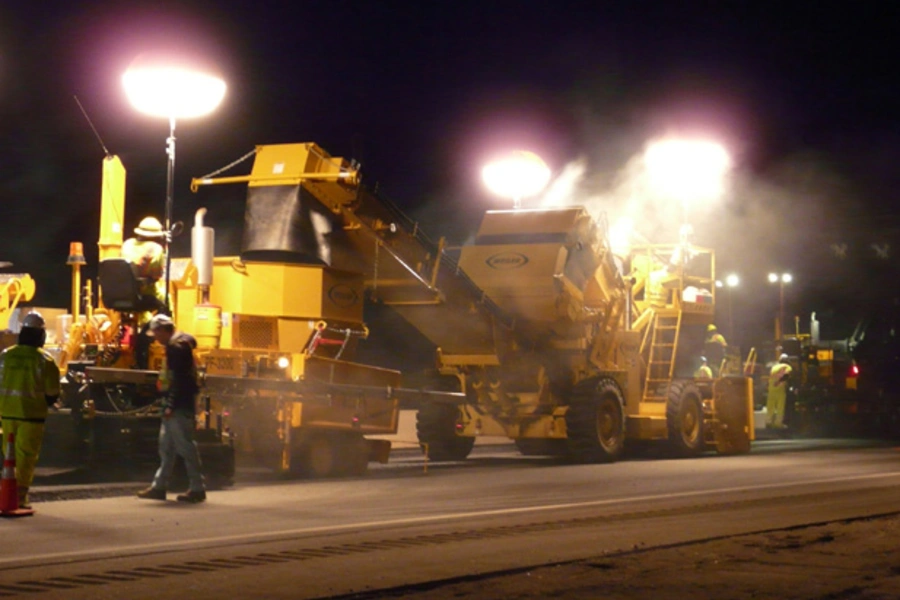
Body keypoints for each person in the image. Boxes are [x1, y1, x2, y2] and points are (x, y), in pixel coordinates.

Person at [137, 314, 206, 503]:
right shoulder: (178, 346)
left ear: (162, 330)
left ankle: (197, 488)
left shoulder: (177, 348)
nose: (155, 339)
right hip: (176, 404)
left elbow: (180, 380)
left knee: (185, 446)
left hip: (178, 406)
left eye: (156, 333)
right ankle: (159, 486)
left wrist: (170, 405)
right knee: (166, 447)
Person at [0, 312, 60, 509]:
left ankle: (6, 491)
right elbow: (52, 393)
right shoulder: (46, 360)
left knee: (9, 456)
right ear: (40, 335)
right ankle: (19, 495)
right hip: (31, 416)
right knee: (26, 456)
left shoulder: (6, 356)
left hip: (7, 414)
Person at [766, 353, 793, 429]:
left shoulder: (774, 367)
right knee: (780, 407)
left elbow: (770, 377)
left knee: (770, 406)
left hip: (771, 389)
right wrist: (779, 382)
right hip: (780, 389)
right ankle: (778, 423)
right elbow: (786, 375)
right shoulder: (787, 367)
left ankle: (768, 422)